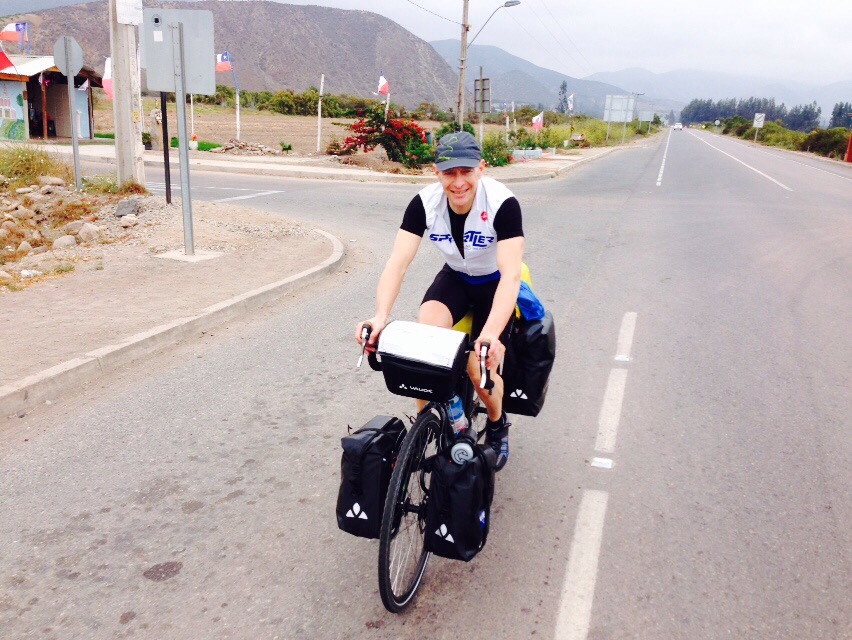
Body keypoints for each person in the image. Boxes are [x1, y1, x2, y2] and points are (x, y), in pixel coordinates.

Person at [355, 132, 524, 471]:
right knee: (425, 350)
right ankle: (426, 428)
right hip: (457, 278)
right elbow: (397, 264)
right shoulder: (424, 203)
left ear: (481, 168)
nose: (458, 182)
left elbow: (511, 276)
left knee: (480, 367)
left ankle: (496, 423)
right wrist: (380, 316)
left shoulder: (502, 203)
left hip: (494, 283)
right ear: (436, 173)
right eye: (449, 173)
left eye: (466, 171)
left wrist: (490, 335)